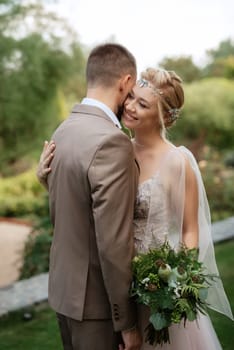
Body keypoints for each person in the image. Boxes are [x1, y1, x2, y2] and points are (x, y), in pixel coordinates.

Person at [38, 67, 233, 349]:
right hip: (117, 288)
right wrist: (46, 179)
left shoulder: (177, 162)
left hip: (158, 289)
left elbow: (191, 230)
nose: (129, 106)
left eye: (142, 104)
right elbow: (89, 207)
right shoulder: (116, 150)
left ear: (166, 117)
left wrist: (175, 280)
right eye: (131, 97)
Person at [37, 43, 142, 350]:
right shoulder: (112, 141)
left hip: (64, 295)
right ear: (125, 81)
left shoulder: (63, 130)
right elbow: (113, 242)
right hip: (98, 308)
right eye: (131, 89)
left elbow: (70, 203)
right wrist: (128, 323)